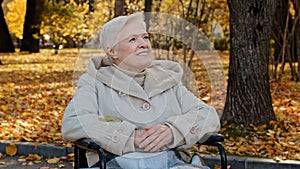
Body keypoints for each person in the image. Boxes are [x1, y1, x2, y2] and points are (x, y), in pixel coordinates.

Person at [62, 12, 220, 169]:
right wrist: (128, 136)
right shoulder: (93, 82)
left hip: (173, 162)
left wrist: (174, 130)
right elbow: (73, 122)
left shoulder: (167, 80)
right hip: (115, 163)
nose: (144, 44)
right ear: (112, 52)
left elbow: (208, 116)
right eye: (132, 39)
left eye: (145, 37)